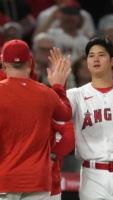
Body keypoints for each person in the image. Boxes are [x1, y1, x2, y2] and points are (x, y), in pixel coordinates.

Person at [49, 38, 113, 200]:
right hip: (93, 175)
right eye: (91, 56)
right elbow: (57, 114)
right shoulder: (76, 95)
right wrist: (59, 86)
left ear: (112, 61)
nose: (95, 59)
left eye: (101, 55)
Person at [0, 39, 72, 200]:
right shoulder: (46, 93)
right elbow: (66, 115)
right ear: (29, 64)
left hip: (5, 179)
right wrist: (59, 87)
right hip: (38, 180)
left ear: (4, 64)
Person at [50, 120, 75, 200]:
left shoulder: (49, 110)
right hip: (14, 180)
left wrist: (53, 155)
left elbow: (71, 136)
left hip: (49, 183)